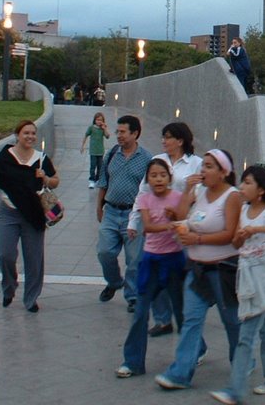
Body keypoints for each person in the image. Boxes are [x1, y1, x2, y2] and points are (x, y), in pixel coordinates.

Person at [155, 148, 243, 391]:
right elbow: (185, 217)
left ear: (223, 172)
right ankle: (180, 373)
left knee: (231, 321)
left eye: (209, 166)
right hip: (197, 268)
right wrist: (186, 193)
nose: (203, 170)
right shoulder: (200, 192)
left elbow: (230, 233)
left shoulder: (232, 196)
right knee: (191, 320)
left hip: (223, 269)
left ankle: (243, 361)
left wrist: (198, 240)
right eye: (202, 165)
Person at [210, 166, 265, 404]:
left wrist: (256, 229)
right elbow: (236, 243)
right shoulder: (244, 210)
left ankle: (235, 390)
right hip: (246, 276)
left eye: (248, 183)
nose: (242, 187)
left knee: (246, 336)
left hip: (262, 278)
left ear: (261, 190)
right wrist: (241, 236)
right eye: (243, 182)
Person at [0, 120, 59, 312]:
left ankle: (31, 299)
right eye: (26, 133)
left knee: (34, 260)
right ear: (17, 136)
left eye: (33, 133)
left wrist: (45, 178)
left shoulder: (41, 158)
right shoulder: (5, 156)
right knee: (5, 255)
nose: (30, 137)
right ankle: (9, 288)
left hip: (33, 214)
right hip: (8, 213)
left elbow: (55, 181)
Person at [130, 122, 204, 337]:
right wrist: (133, 221)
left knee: (180, 280)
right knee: (155, 277)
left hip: (183, 228)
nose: (164, 141)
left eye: (168, 137)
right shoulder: (158, 161)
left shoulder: (195, 163)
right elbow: (143, 192)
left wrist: (185, 205)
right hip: (157, 228)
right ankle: (163, 319)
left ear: (180, 140)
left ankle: (189, 326)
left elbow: (201, 194)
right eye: (163, 137)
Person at [117, 158, 186, 378]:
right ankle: (133, 362)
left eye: (162, 175)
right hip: (151, 261)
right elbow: (147, 227)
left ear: (169, 178)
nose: (158, 179)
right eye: (154, 175)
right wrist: (169, 224)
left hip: (174, 260)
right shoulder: (145, 199)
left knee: (182, 312)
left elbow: (185, 221)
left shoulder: (178, 198)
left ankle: (194, 352)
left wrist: (177, 218)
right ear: (148, 179)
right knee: (140, 312)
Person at [96, 115, 153, 312]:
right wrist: (99, 208)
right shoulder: (112, 154)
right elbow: (103, 182)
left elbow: (151, 190)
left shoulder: (147, 159)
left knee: (134, 259)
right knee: (104, 252)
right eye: (117, 131)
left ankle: (133, 296)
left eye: (122, 132)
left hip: (134, 214)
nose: (118, 135)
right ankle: (113, 282)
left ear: (135, 133)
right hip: (111, 211)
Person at [81, 112, 109, 189]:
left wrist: (105, 128)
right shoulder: (91, 128)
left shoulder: (102, 128)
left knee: (100, 167)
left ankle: (98, 179)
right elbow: (86, 135)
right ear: (94, 120)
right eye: (97, 119)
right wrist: (82, 146)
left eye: (101, 120)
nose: (99, 121)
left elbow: (107, 136)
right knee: (93, 166)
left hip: (100, 151)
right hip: (93, 151)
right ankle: (91, 180)